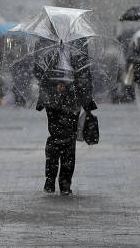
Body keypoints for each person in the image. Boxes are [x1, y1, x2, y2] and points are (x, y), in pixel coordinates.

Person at [32, 38, 96, 196]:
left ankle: (65, 182)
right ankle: (50, 178)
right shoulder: (45, 43)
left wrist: (70, 84)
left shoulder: (80, 43)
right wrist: (55, 82)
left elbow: (85, 71)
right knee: (55, 137)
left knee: (69, 140)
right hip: (52, 97)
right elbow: (38, 70)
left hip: (73, 97)